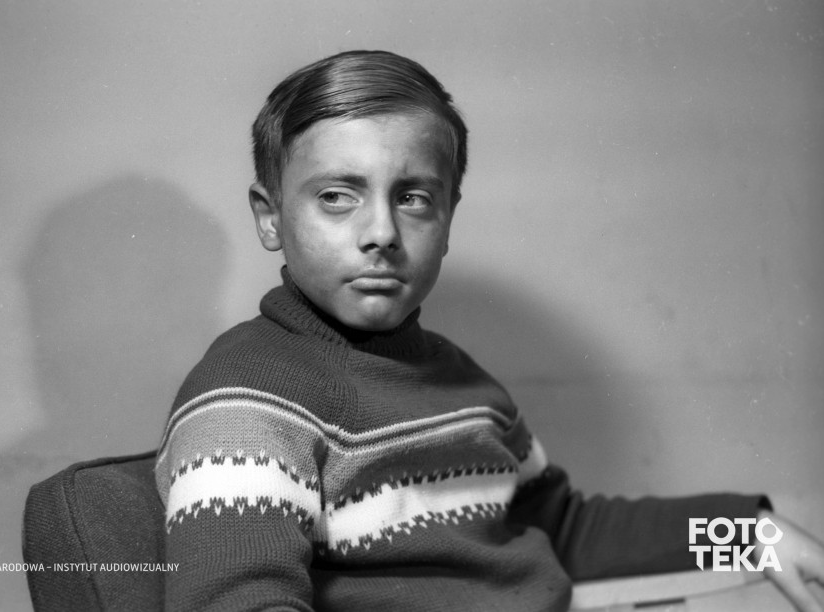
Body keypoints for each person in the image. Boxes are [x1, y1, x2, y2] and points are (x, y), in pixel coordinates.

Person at [155, 50, 824, 612]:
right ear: (270, 217)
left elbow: (561, 532)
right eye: (337, 196)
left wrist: (749, 536)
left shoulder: (464, 384)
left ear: (448, 216)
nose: (381, 232)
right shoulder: (245, 402)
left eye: (413, 197)